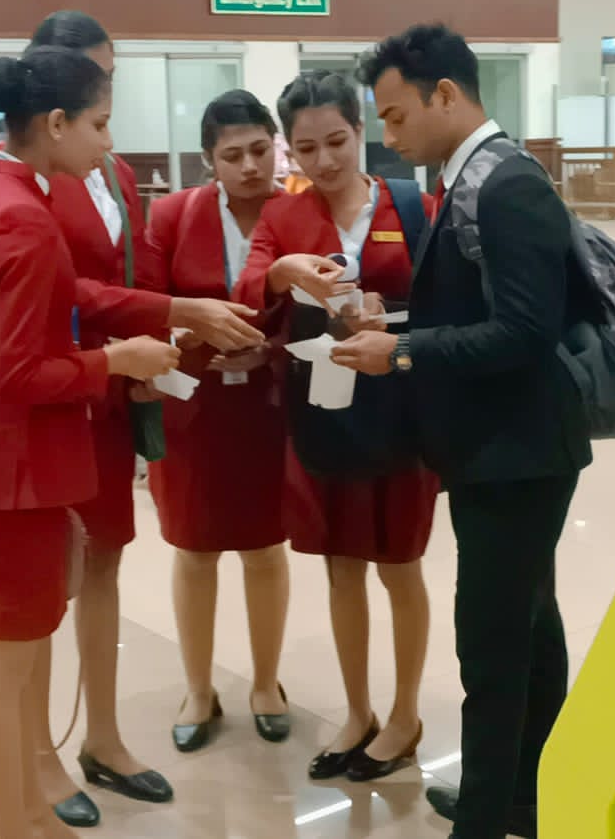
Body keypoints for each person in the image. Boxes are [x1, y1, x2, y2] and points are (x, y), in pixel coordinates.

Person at [340, 23, 593, 839]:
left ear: (444, 94)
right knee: (528, 627)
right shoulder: (472, 176)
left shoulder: (506, 183)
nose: (388, 135)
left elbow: (524, 331)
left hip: (518, 455)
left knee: (489, 647)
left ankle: (481, 819)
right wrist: (399, 322)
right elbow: (480, 310)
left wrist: (402, 351)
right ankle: (526, 795)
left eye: (394, 115)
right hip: (503, 448)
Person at [21, 9, 265, 828]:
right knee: (39, 586)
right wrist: (170, 313)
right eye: (93, 79)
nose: (106, 95)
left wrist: (155, 346)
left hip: (111, 396)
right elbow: (55, 291)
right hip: (51, 396)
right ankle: (39, 752)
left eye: (109, 77)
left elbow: (134, 272)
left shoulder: (115, 173)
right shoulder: (20, 178)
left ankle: (103, 735)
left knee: (103, 567)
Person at [0, 45, 185, 839]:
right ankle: (15, 822)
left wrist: (158, 315)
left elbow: (48, 301)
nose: (107, 143)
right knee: (3, 658)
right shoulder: (21, 214)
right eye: (99, 124)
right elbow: (19, 373)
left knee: (7, 650)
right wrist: (117, 360)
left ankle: (28, 813)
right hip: (19, 467)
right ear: (53, 123)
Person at [235, 70, 439, 784]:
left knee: (400, 565)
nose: (323, 160)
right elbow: (247, 291)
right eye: (305, 148)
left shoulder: (412, 205)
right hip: (324, 411)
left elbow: (450, 300)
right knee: (341, 565)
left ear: (360, 131)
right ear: (289, 151)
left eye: (336, 141)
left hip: (402, 408)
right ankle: (357, 713)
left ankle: (404, 714)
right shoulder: (283, 218)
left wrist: (395, 320)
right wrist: (283, 272)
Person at [136, 89, 292, 754]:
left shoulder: (297, 212)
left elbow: (315, 310)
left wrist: (272, 348)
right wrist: (189, 335)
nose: (250, 166)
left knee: (264, 546)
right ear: (209, 160)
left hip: (266, 406)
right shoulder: (173, 214)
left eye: (260, 150)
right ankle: (198, 688)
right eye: (233, 155)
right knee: (194, 548)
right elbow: (147, 301)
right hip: (191, 404)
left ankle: (266, 682)